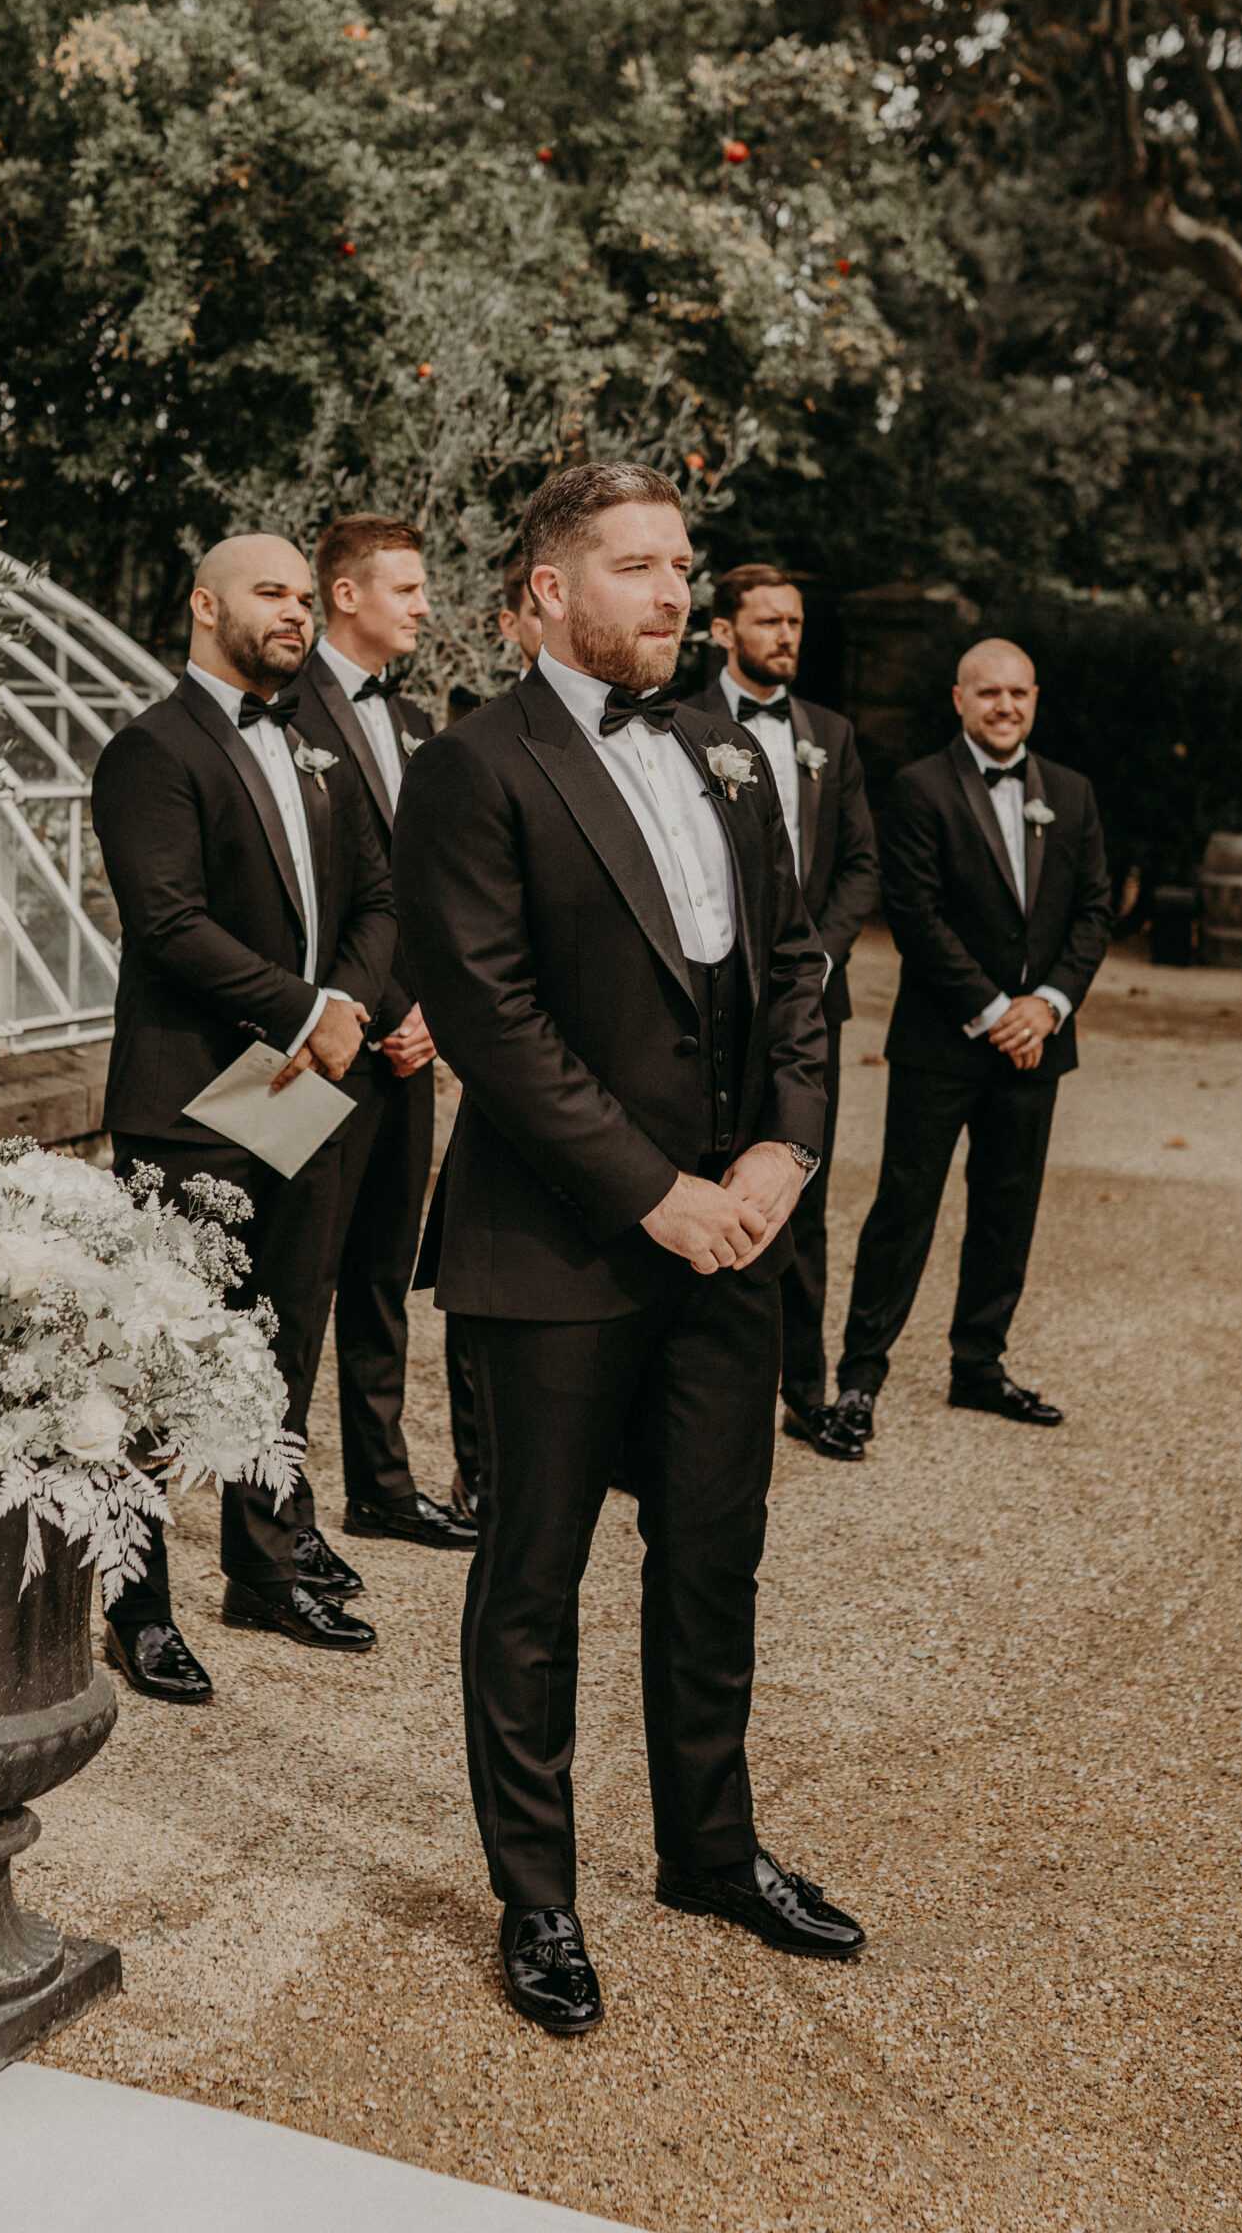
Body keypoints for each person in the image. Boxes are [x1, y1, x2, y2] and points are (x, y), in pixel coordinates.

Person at [393, 462, 864, 2040]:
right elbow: (489, 1018)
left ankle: (709, 1852)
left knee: (712, 1558)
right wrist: (654, 1192)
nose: (676, 593)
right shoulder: (473, 765)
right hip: (559, 1244)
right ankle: (538, 1896)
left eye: (683, 565)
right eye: (638, 567)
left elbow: (796, 969)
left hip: (735, 1238)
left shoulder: (730, 744)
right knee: (531, 1577)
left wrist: (781, 1156)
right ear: (543, 591)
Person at [90, 534, 395, 1700]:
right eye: (274, 592)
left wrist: (349, 1007)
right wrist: (306, 1007)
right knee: (161, 1358)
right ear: (205, 603)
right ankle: (136, 1601)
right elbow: (167, 923)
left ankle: (265, 1567)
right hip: (193, 1101)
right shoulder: (150, 750)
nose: (297, 612)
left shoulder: (319, 747)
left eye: (309, 598)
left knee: (282, 1339)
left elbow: (378, 893)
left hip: (302, 1086)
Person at [826, 637, 1112, 1452]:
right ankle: (858, 1378)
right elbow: (913, 916)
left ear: (1034, 698)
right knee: (903, 1207)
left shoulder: (1071, 793)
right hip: (943, 1042)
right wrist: (994, 1011)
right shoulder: (920, 788)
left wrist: (1048, 1006)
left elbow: (1093, 912)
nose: (1005, 707)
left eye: (1018, 693)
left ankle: (977, 1364)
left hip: (1038, 1045)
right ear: (958, 699)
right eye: (988, 693)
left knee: (1006, 1207)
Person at [289, 515, 476, 1567]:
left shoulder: (414, 722)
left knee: (379, 1275)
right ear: (346, 594)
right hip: (320, 1042)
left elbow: (433, 885)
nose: (423, 606)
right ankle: (281, 1518)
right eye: (405, 589)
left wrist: (432, 1009)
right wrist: (372, 1007)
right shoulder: (283, 712)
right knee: (297, 1284)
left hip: (410, 1044)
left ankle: (383, 1484)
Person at [700, 565, 880, 1456]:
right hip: (707, 995)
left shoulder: (830, 736)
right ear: (723, 631)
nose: (786, 636)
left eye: (795, 622)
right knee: (698, 1177)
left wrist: (815, 956)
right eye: (767, 621)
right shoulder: (682, 721)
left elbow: (859, 867)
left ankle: (803, 1390)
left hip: (811, 999)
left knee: (798, 1182)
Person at [445, 541, 545, 1518]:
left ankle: (400, 1487)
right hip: (288, 1052)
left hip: (389, 1039)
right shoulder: (472, 744)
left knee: (381, 1287)